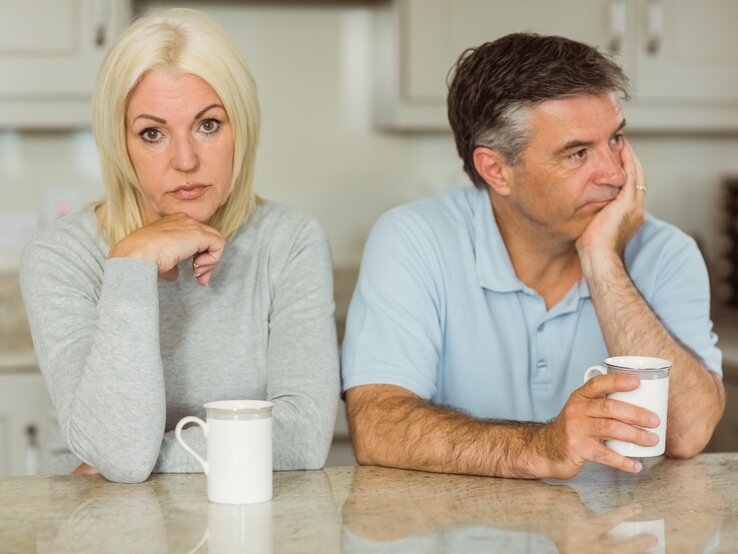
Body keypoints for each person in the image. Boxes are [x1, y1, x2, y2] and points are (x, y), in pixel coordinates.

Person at [341, 33, 725, 480]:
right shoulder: (415, 238)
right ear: (496, 170)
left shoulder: (666, 252)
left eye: (615, 139)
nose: (615, 173)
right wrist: (540, 446)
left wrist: (603, 261)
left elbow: (689, 432)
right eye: (578, 153)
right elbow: (378, 426)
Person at [20, 8, 339, 483]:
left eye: (208, 125)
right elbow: (120, 455)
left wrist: (147, 456)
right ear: (119, 144)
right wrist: (131, 264)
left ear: (242, 129)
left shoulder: (290, 241)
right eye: (153, 133)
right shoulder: (61, 256)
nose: (185, 160)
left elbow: (305, 437)